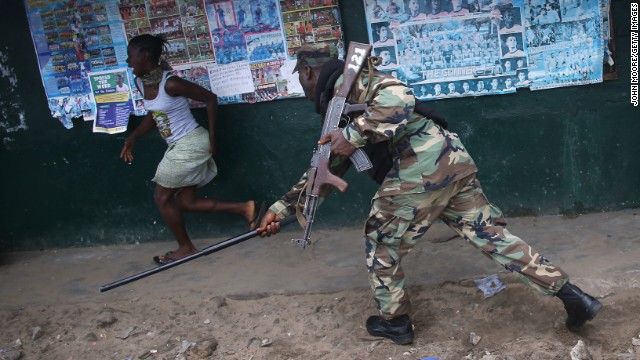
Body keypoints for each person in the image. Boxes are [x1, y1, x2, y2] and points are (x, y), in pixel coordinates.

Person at [257, 43, 602, 345]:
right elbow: (326, 168)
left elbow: (400, 97)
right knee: (491, 236)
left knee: (381, 242)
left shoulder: (356, 83)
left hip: (419, 169)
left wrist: (355, 133)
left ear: (307, 72)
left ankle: (394, 323)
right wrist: (281, 210)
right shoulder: (336, 106)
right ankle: (573, 297)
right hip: (449, 164)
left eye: (299, 76)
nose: (299, 85)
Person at [121, 34, 266, 265]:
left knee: (161, 196)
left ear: (145, 56)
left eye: (130, 56)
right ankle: (246, 209)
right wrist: (134, 137)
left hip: (191, 143)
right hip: (177, 146)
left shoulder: (171, 83)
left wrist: (212, 137)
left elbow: (210, 98)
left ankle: (186, 248)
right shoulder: (141, 83)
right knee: (186, 202)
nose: (128, 61)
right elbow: (154, 114)